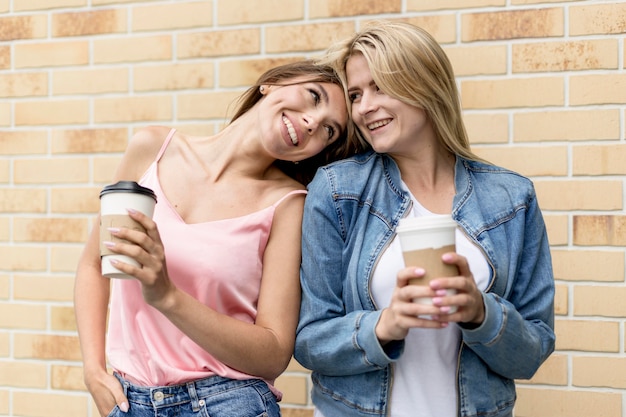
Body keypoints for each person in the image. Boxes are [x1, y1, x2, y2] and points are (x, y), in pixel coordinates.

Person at [294, 21, 555, 417]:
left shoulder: (512, 199)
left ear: (425, 84)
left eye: (380, 86)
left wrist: (480, 312)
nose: (365, 107)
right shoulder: (336, 191)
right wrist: (385, 325)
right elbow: (310, 341)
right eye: (356, 94)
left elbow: (532, 352)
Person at [74, 60, 350, 417]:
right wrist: (93, 370)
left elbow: (274, 353)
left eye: (329, 130)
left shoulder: (289, 206)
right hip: (130, 400)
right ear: (272, 83)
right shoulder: (152, 150)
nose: (314, 122)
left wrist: (167, 296)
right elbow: (94, 264)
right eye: (314, 97)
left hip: (227, 403)